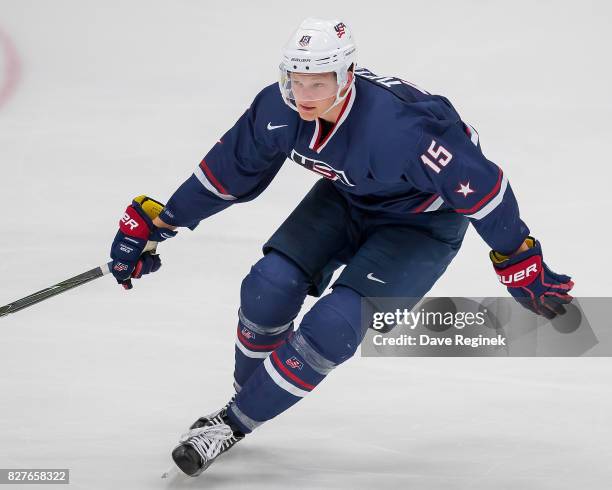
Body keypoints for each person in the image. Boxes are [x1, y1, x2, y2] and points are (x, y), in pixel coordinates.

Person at [109, 18, 573, 477]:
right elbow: (228, 172)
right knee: (268, 286)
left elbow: (485, 191)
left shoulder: (405, 129)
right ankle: (245, 403)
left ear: (346, 75)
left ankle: (230, 424)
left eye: (318, 83)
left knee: (334, 325)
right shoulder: (277, 108)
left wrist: (518, 259)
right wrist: (160, 223)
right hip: (348, 196)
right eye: (296, 81)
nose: (304, 96)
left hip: (421, 225)